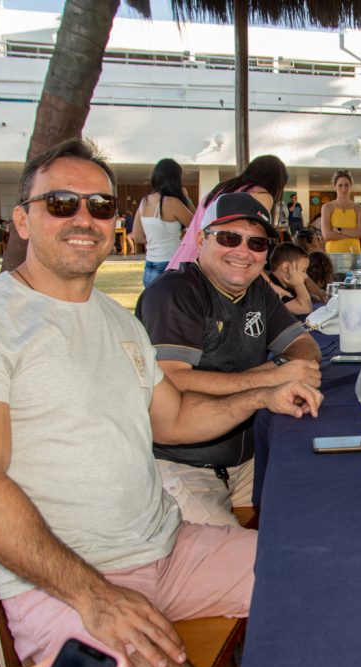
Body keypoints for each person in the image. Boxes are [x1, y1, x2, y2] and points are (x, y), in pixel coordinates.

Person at [0, 139, 323, 667]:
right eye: (61, 203)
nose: (84, 217)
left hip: (169, 548)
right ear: (22, 221)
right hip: (64, 583)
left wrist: (262, 395)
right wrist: (94, 595)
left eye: (100, 205)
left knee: (324, 576)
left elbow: (172, 420)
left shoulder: (118, 321)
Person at [137, 193, 322, 527]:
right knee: (243, 565)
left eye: (256, 243)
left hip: (247, 460)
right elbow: (173, 377)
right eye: (228, 237)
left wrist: (281, 368)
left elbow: (305, 346)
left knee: (314, 515)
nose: (243, 251)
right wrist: (270, 378)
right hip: (182, 466)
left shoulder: (258, 291)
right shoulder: (174, 293)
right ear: (199, 239)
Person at [167, 155, 288, 269]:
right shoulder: (261, 195)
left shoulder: (221, 188)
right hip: (210, 264)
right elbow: (251, 245)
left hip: (184, 256)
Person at [132, 158, 195, 287]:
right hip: (170, 264)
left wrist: (158, 239)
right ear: (176, 179)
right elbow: (197, 224)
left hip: (149, 265)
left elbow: (137, 236)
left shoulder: (144, 202)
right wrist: (187, 199)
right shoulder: (171, 202)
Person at [320, 170, 361, 254]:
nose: (343, 189)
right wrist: (352, 234)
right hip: (333, 255)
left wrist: (339, 229)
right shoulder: (327, 207)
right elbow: (326, 235)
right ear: (334, 186)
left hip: (354, 255)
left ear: (351, 186)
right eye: (340, 185)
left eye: (346, 185)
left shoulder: (359, 208)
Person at [265, 242, 314, 315]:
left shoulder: (286, 285)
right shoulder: (274, 290)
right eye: (303, 270)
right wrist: (299, 284)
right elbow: (306, 309)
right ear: (286, 268)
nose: (305, 276)